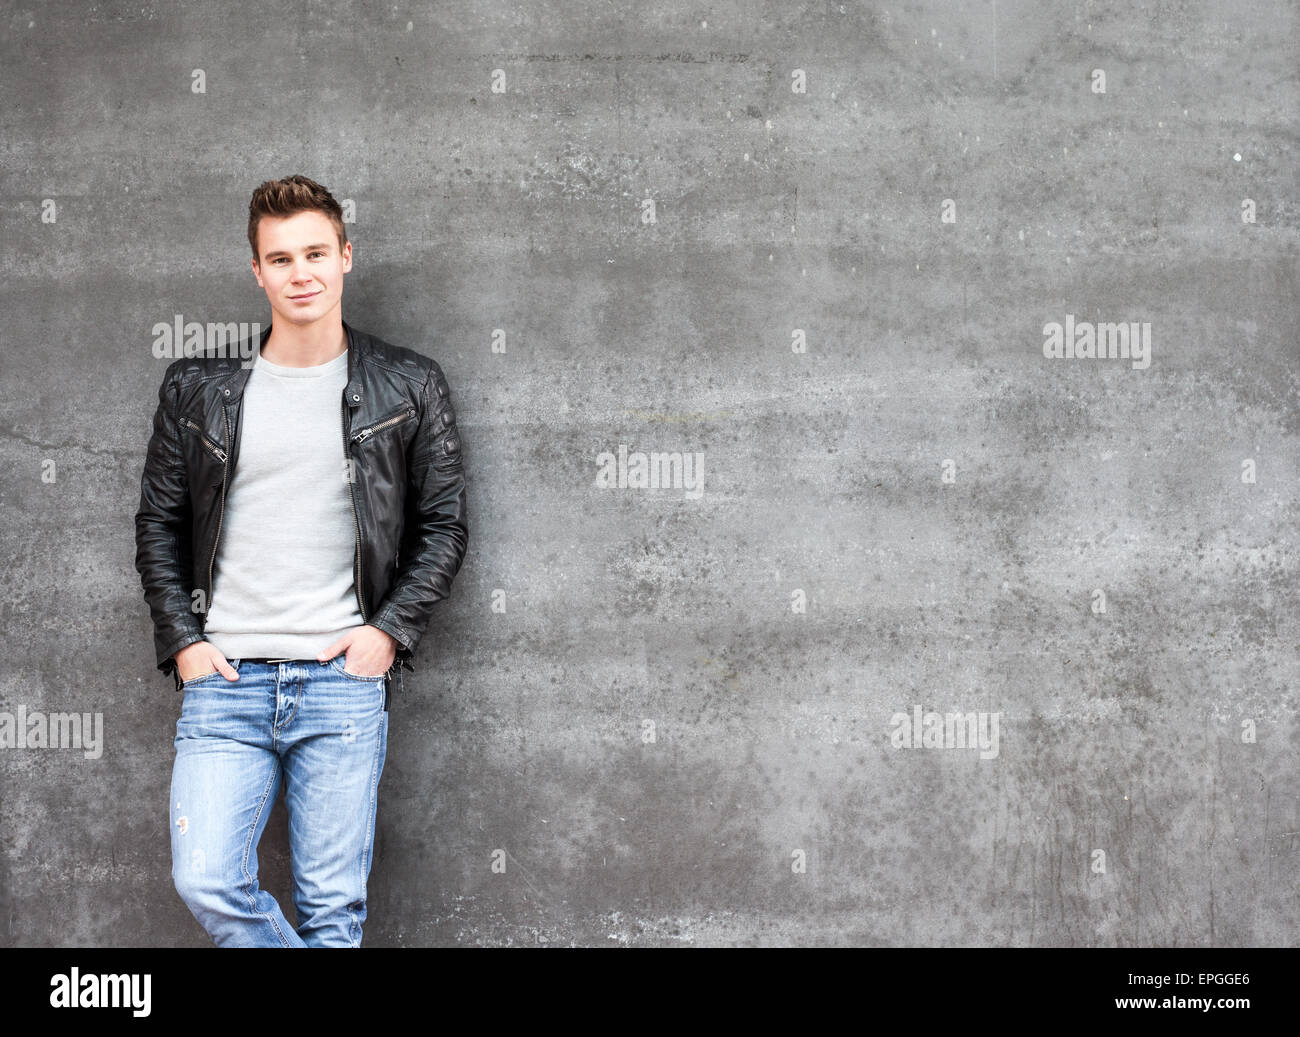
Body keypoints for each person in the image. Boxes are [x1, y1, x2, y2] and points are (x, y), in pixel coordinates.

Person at [134, 174, 468, 946]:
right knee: (208, 878)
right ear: (258, 272)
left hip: (341, 686)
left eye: (316, 252)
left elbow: (444, 526)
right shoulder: (198, 389)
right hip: (226, 684)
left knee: (332, 915)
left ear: (346, 256)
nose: (301, 272)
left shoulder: (408, 384)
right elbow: (159, 522)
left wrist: (386, 633)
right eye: (280, 259)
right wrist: (184, 641)